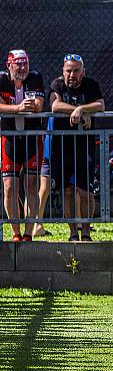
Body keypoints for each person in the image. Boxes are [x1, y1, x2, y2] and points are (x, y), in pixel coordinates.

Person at [49, 54, 105, 241]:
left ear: (83, 72)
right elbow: (55, 106)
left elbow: (101, 105)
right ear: (62, 71)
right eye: (68, 70)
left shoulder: (91, 84)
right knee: (68, 190)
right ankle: (73, 233)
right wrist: (79, 111)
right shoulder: (57, 85)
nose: (72, 74)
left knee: (85, 191)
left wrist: (82, 109)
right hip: (63, 144)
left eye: (76, 70)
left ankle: (87, 233)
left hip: (84, 144)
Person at [0, 50, 45, 242]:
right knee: (9, 186)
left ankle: (28, 233)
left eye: (25, 63)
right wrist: (17, 109)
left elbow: (38, 105)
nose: (23, 68)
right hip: (9, 139)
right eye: (18, 64)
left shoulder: (35, 77)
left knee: (31, 185)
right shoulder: (1, 80)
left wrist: (10, 107)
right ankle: (15, 233)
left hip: (32, 138)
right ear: (9, 65)